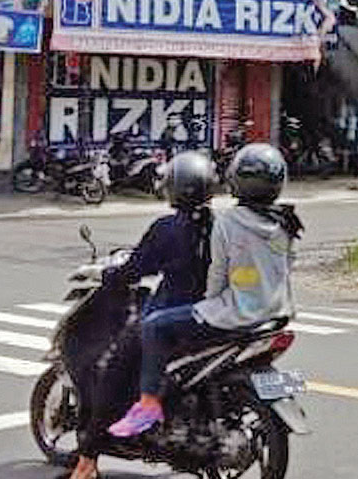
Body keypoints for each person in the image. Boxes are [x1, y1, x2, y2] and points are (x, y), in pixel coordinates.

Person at [108, 143, 302, 440]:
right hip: (277, 312)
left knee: (153, 326)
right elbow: (287, 265)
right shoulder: (285, 222)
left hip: (235, 312)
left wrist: (210, 303)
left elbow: (217, 273)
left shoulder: (227, 223)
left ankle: (148, 404)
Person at [66, 150, 216, 479]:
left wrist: (107, 276)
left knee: (113, 370)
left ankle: (88, 458)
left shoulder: (167, 228)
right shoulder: (218, 224)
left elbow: (136, 269)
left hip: (171, 316)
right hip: (212, 317)